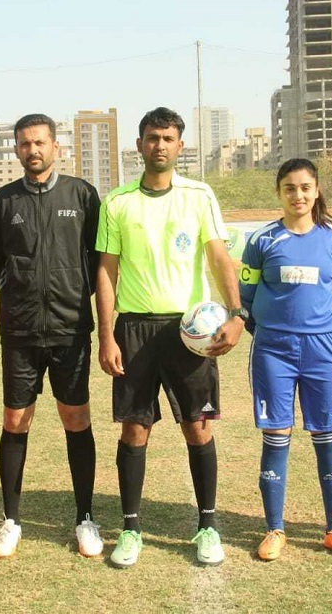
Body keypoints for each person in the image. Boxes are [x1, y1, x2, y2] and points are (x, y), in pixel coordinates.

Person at [96, 107, 246, 568]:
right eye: (151, 137)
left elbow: (219, 258)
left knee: (197, 426)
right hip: (135, 329)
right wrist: (106, 334)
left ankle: (207, 526)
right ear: (139, 146)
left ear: (180, 146)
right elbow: (106, 271)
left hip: (190, 331)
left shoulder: (199, 196)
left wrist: (237, 313)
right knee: (135, 428)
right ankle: (131, 529)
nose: (159, 145)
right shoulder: (117, 202)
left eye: (168, 137)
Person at [0, 114, 103, 558]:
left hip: (70, 328)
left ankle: (85, 517)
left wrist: (72, 290)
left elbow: (97, 260)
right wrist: (24, 292)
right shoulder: (3, 202)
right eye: (24, 144)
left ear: (57, 147)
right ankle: (11, 519)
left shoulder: (82, 195)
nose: (32, 150)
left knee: (76, 418)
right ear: (16, 150)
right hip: (19, 330)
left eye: (39, 142)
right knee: (16, 420)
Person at [238, 158, 332, 561]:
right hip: (273, 349)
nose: (298, 195)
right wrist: (273, 330)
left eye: (305, 187)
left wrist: (317, 328)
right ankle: (275, 529)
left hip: (324, 349)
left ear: (317, 190)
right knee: (276, 435)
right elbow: (247, 296)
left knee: (327, 435)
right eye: (290, 188)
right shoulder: (262, 240)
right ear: (279, 192)